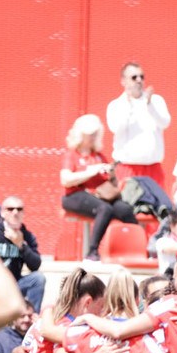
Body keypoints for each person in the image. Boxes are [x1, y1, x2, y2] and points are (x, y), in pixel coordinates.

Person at [60, 112, 137, 263]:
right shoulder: (72, 155)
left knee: (125, 209)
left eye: (95, 134)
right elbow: (66, 180)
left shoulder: (99, 156)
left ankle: (135, 248)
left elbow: (109, 183)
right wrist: (92, 171)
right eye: (90, 135)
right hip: (75, 195)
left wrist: (112, 173)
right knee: (105, 209)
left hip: (100, 196)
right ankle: (92, 252)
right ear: (80, 135)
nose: (93, 138)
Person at [106, 62, 171, 188]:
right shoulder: (116, 105)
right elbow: (115, 128)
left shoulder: (155, 100)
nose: (139, 80)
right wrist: (128, 105)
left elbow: (165, 123)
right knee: (127, 207)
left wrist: (150, 105)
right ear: (123, 81)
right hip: (127, 168)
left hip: (153, 167)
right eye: (134, 77)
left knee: (157, 206)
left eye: (142, 77)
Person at [0, 195, 45, 311]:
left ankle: (31, 319)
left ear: (23, 213)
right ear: (2, 213)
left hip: (15, 285)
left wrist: (21, 244)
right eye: (10, 209)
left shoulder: (27, 236)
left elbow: (35, 265)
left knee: (38, 278)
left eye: (19, 209)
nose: (15, 212)